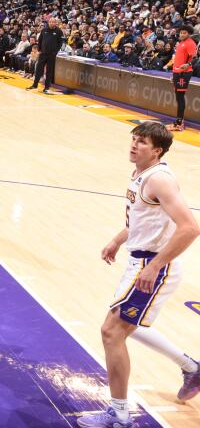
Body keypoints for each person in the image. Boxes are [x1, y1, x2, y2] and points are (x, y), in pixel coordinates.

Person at [78, 122, 200, 427]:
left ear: (157, 150)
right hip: (140, 261)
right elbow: (144, 219)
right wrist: (118, 240)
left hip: (153, 266)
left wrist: (155, 265)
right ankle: (191, 367)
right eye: (133, 139)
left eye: (142, 142)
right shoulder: (141, 174)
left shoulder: (159, 179)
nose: (134, 145)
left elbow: (190, 228)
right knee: (129, 326)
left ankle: (119, 415)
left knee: (112, 331)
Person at [164, 25, 196, 132]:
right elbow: (178, 59)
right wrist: (174, 74)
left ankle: (179, 123)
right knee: (178, 97)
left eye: (184, 33)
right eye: (181, 32)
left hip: (184, 73)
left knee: (180, 97)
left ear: (189, 34)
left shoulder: (190, 43)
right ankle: (179, 122)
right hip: (177, 72)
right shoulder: (181, 43)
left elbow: (195, 58)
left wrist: (188, 64)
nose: (182, 34)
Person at [27, 17, 64, 93]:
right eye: (50, 22)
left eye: (53, 22)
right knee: (38, 70)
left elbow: (60, 43)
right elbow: (40, 40)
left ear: (55, 23)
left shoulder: (59, 31)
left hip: (51, 55)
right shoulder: (44, 30)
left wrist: (55, 52)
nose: (51, 23)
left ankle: (47, 87)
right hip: (43, 53)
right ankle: (35, 85)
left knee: (49, 71)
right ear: (48, 22)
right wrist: (39, 50)